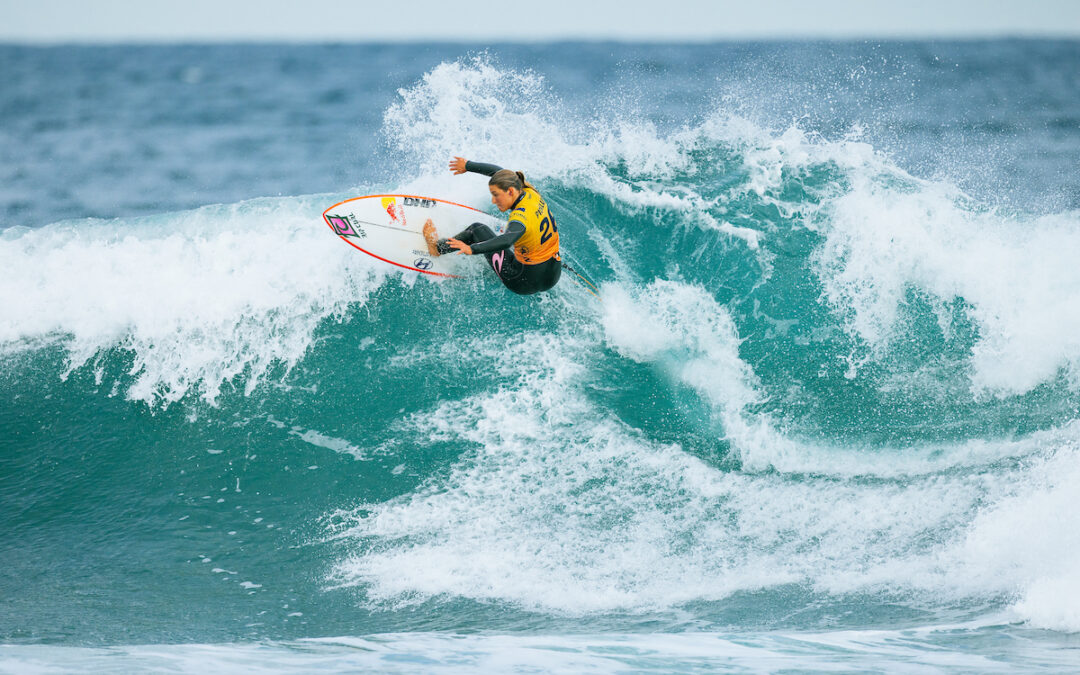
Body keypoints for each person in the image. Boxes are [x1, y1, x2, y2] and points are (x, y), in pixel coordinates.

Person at [423, 156, 561, 295]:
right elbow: (499, 173)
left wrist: (472, 249)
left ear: (510, 191)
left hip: (521, 281)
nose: (493, 200)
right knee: (525, 236)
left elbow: (507, 240)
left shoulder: (520, 217)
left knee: (476, 230)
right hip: (553, 274)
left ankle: (437, 249)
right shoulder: (530, 192)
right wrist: (468, 165)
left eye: (496, 195)